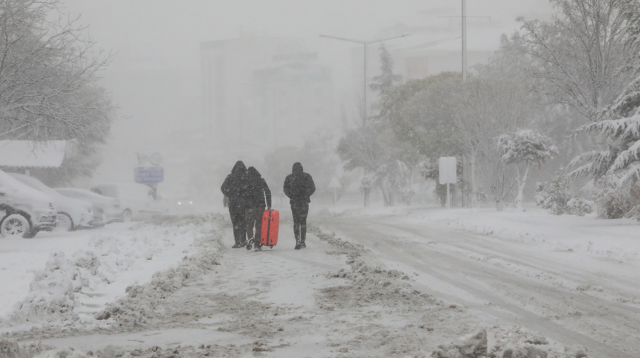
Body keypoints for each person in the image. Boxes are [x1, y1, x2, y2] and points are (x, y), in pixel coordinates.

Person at [283, 162, 315, 250]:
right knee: (303, 221)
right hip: (304, 202)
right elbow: (313, 188)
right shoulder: (307, 176)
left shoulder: (289, 177)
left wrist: (292, 196)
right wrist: (306, 195)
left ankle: (297, 239)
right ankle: (303, 241)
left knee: (296, 221)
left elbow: (285, 189)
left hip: (294, 202)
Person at [243, 167, 272, 251]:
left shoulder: (246, 181)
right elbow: (267, 192)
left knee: (249, 224)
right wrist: (269, 205)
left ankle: (250, 238)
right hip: (260, 205)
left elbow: (241, 193)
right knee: (259, 224)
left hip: (249, 206)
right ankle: (257, 244)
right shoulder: (261, 180)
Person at [221, 161, 248, 248]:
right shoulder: (246, 177)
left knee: (235, 222)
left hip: (233, 203)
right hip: (243, 203)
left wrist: (230, 194)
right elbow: (250, 189)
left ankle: (237, 241)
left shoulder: (230, 177)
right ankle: (243, 240)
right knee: (243, 222)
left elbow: (223, 187)